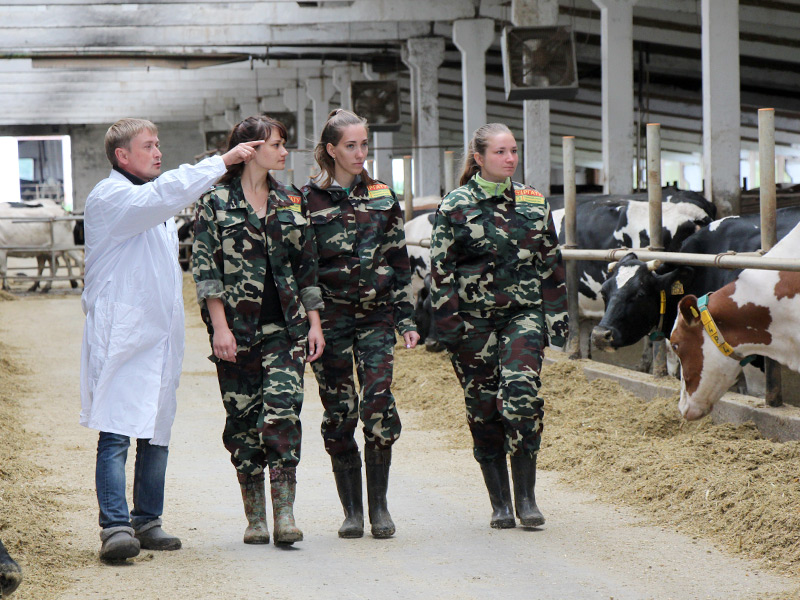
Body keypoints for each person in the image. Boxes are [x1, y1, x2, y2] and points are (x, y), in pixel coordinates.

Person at [80, 118, 261, 561]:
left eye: (159, 144)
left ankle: (148, 519)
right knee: (118, 428)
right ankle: (116, 526)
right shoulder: (112, 197)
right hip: (123, 336)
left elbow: (164, 202)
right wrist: (222, 161)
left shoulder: (151, 206)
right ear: (122, 156)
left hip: (157, 336)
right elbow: (166, 194)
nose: (158, 152)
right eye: (149, 146)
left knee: (157, 430)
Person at [192, 115, 324, 546]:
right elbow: (206, 271)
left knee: (283, 414)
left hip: (286, 330)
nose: (284, 152)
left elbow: (307, 268)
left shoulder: (291, 200)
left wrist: (315, 323)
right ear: (249, 149)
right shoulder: (215, 202)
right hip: (237, 332)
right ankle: (256, 519)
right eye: (277, 144)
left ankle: (285, 515)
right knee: (243, 423)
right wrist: (219, 329)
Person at [429, 123, 568, 529]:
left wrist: (556, 321)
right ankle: (501, 504)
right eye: (501, 152)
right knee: (484, 411)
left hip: (522, 316)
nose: (510, 159)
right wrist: (449, 328)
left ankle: (526, 499)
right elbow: (441, 272)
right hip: (472, 323)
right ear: (479, 158)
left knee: (521, 397)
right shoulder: (454, 205)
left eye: (513, 151)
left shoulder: (533, 201)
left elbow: (551, 265)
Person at [302, 109, 419, 539]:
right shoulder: (306, 200)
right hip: (329, 319)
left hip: (376, 316)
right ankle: (351, 511)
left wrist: (406, 319)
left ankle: (380, 508)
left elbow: (398, 261)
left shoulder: (384, 196)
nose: (360, 153)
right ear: (331, 149)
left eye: (365, 144)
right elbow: (304, 270)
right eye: (350, 145)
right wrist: (310, 322)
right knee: (340, 412)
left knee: (378, 404)